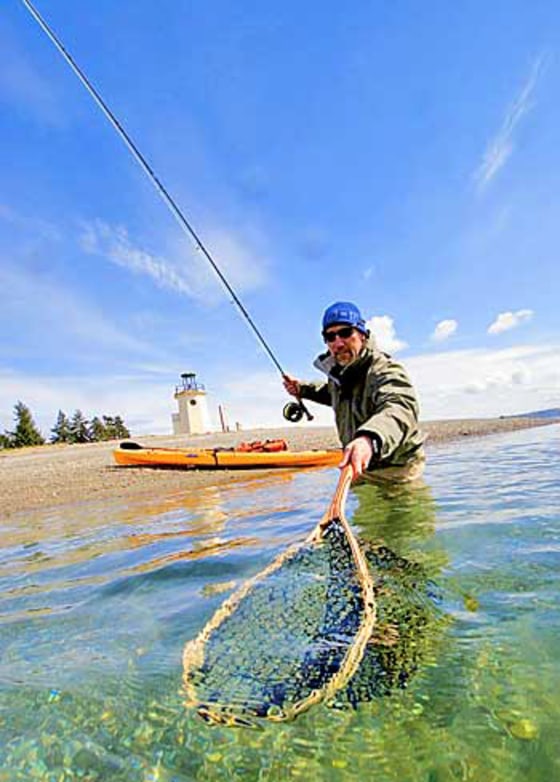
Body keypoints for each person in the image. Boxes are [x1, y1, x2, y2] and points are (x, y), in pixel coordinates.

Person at [283, 301, 425, 481]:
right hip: (357, 467)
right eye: (330, 336)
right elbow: (334, 394)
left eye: (345, 333)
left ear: (362, 335)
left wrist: (369, 438)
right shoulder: (338, 375)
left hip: (397, 473)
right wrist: (302, 389)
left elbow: (399, 408)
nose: (338, 343)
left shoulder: (385, 370)